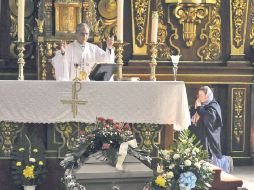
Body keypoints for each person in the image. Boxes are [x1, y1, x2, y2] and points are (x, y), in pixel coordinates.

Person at [189, 86, 223, 160]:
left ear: (207, 96)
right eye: (199, 95)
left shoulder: (213, 106)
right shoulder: (200, 105)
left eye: (202, 96)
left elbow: (207, 119)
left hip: (208, 139)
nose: (199, 98)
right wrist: (196, 108)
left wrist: (199, 107)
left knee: (207, 160)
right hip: (197, 137)